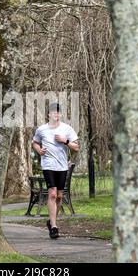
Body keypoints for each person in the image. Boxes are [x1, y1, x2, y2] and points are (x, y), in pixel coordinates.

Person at [32, 102, 79, 239]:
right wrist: (39, 151)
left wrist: (65, 141)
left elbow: (76, 148)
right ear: (49, 114)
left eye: (58, 112)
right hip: (48, 164)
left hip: (62, 166)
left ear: (61, 114)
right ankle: (54, 226)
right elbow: (34, 142)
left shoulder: (67, 129)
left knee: (59, 196)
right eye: (53, 112)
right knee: (52, 194)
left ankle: (51, 221)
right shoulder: (42, 129)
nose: (56, 114)